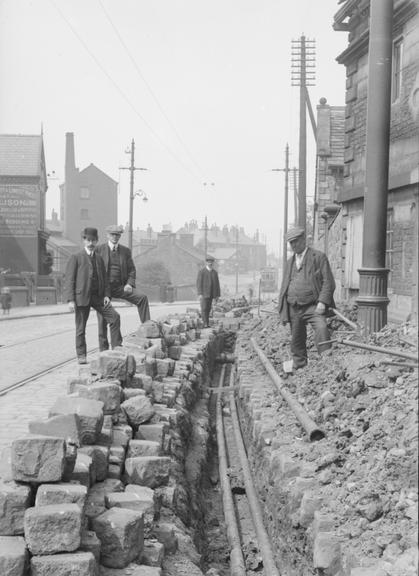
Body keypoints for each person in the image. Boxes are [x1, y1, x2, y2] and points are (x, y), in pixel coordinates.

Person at [278, 226, 336, 370]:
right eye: (291, 243)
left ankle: (326, 364)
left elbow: (328, 282)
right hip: (294, 306)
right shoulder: (290, 262)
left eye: (296, 242)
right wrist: (284, 309)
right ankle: (300, 367)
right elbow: (285, 284)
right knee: (297, 339)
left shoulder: (318, 257)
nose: (294, 245)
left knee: (322, 329)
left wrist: (322, 302)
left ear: (304, 240)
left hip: (313, 306)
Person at [64, 227, 122, 364]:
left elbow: (106, 279)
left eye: (93, 240)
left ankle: (116, 349)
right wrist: (71, 300)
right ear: (84, 240)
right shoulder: (76, 257)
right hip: (81, 297)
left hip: (98, 297)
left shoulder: (99, 259)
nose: (91, 243)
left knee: (114, 317)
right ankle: (81, 355)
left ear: (97, 241)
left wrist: (107, 295)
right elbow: (69, 280)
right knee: (80, 328)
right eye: (88, 240)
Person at [96, 224, 150, 351]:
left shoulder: (125, 251)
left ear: (120, 236)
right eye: (112, 234)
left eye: (117, 235)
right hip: (104, 289)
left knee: (142, 298)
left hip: (120, 287)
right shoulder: (99, 250)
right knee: (103, 316)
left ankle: (148, 330)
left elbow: (132, 270)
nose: (115, 237)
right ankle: (104, 348)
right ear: (107, 235)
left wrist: (129, 284)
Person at [196, 255, 221, 327]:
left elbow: (217, 284)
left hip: (211, 294)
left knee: (208, 309)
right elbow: (199, 283)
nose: (210, 263)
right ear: (206, 263)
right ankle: (205, 323)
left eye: (211, 262)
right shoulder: (202, 272)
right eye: (208, 262)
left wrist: (217, 295)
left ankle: (206, 322)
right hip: (204, 294)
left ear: (213, 263)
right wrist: (200, 293)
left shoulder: (214, 273)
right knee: (204, 308)